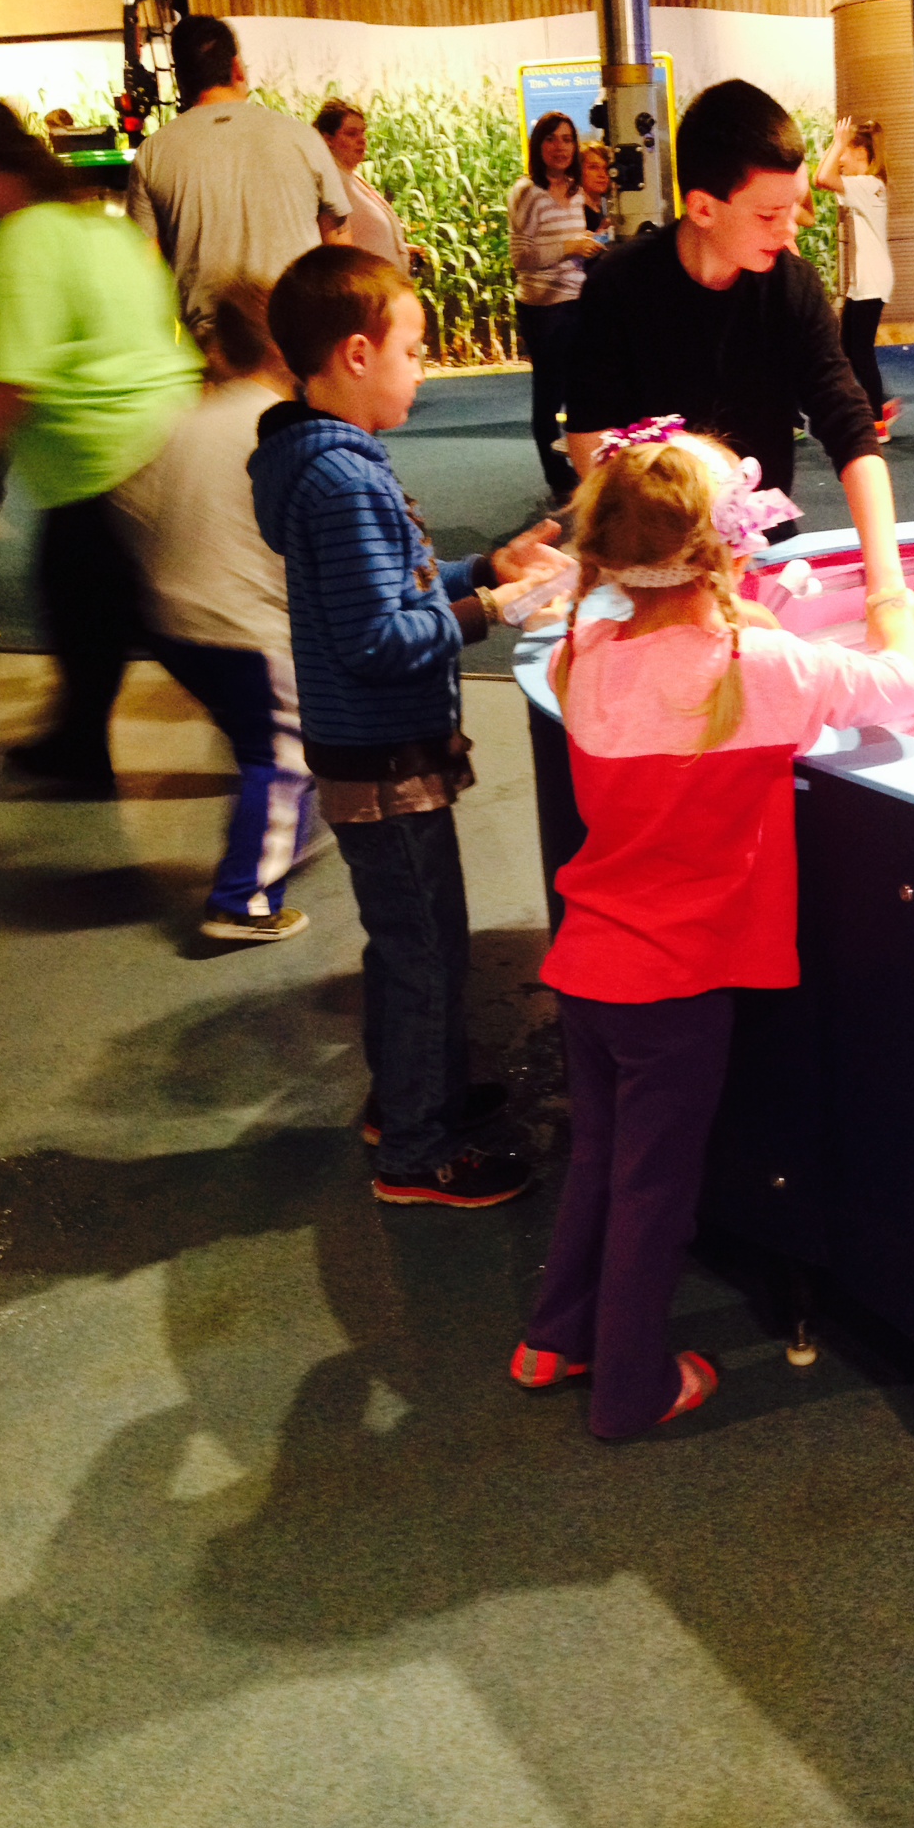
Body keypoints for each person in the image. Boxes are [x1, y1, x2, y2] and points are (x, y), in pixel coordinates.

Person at [511, 423, 914, 1438]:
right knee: (656, 1188)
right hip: (676, 988)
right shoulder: (761, 667)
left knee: (600, 1159)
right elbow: (905, 684)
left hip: (588, 965)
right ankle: (629, 1388)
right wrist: (895, 606)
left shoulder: (584, 653)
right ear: (729, 549)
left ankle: (553, 1336)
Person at [250, 245, 571, 1205]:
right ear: (356, 354)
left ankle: (407, 1097)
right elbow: (378, 640)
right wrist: (493, 610)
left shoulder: (322, 460)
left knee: (410, 941)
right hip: (384, 759)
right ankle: (418, 1153)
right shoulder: (343, 480)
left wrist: (486, 567)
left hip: (374, 751)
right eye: (414, 349)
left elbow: (393, 586)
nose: (422, 368)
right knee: (427, 949)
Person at [565, 79, 904, 590]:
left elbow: (849, 425)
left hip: (760, 549)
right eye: (768, 215)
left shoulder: (792, 286)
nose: (789, 230)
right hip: (653, 564)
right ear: (703, 208)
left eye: (793, 206)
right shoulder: (619, 286)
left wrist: (887, 586)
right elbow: (590, 435)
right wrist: (652, 555)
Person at [0, 101, 202, 797]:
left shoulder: (23, 241)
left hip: (107, 457)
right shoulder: (96, 224)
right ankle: (78, 739)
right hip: (167, 437)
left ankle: (280, 734)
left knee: (135, 610)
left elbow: (9, 382)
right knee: (91, 599)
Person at [131, 281, 319, 943]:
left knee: (258, 735)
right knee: (285, 752)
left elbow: (141, 507)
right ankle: (244, 901)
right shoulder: (283, 428)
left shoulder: (189, 418)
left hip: (172, 621)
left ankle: (282, 827)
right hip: (242, 627)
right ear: (283, 349)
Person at [126, 15, 350, 339]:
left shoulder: (152, 154)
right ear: (237, 69)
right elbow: (339, 248)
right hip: (297, 338)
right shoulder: (302, 138)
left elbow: (143, 268)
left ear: (181, 80)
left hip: (210, 344)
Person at [507, 112, 604, 501]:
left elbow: (575, 242)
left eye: (567, 139)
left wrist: (591, 243)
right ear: (538, 145)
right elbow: (521, 256)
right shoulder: (527, 192)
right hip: (544, 309)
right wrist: (569, 247)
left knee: (583, 389)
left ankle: (583, 466)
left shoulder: (577, 190)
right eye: (551, 139)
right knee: (549, 396)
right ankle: (558, 479)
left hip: (578, 302)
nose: (560, 147)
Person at [814, 114, 896, 438]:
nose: (840, 159)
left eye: (845, 152)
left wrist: (838, 142)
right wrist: (839, 144)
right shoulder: (866, 185)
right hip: (864, 281)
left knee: (860, 352)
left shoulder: (868, 184)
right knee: (849, 349)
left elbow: (823, 177)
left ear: (861, 152)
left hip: (872, 281)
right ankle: (880, 406)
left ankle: (877, 422)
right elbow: (822, 176)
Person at [313, 101, 410, 268]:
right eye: (352, 134)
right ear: (328, 139)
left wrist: (401, 250)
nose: (362, 140)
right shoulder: (331, 183)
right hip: (366, 282)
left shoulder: (352, 177)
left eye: (363, 132)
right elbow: (336, 252)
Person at [580, 141, 612, 233]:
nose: (602, 174)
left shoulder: (606, 207)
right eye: (593, 167)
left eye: (606, 168)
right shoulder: (575, 209)